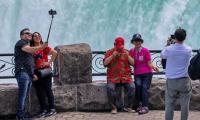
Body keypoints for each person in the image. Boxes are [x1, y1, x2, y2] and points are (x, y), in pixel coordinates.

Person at [14, 28, 47, 120]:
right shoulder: (21, 42)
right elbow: (29, 50)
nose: (29, 34)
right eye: (27, 33)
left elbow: (28, 62)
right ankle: (20, 116)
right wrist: (41, 47)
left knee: (25, 96)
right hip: (22, 72)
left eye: (30, 33)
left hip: (27, 73)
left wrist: (32, 74)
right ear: (21, 36)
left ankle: (23, 114)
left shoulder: (27, 44)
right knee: (23, 95)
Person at [161, 28, 192, 120]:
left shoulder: (169, 49)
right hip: (184, 80)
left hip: (171, 81)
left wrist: (168, 44)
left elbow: (162, 55)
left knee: (169, 104)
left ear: (175, 37)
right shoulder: (188, 49)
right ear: (185, 38)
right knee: (185, 105)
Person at [103, 37, 135, 114]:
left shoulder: (127, 52)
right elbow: (105, 63)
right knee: (110, 88)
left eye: (121, 47)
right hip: (113, 77)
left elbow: (133, 63)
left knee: (132, 87)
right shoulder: (109, 52)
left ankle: (128, 107)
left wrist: (128, 56)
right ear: (114, 45)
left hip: (126, 77)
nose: (119, 49)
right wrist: (112, 56)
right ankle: (114, 108)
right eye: (118, 47)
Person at [129, 33, 159, 114]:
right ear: (133, 42)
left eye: (139, 40)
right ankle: (140, 105)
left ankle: (145, 107)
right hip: (137, 74)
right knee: (138, 86)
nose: (137, 42)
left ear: (141, 42)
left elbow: (149, 63)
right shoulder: (131, 51)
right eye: (136, 40)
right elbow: (130, 63)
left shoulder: (145, 51)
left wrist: (154, 67)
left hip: (147, 73)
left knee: (144, 87)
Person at [30, 32, 57, 118]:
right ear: (32, 38)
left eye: (39, 36)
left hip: (46, 71)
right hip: (36, 72)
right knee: (40, 92)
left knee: (48, 90)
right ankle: (43, 110)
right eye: (35, 36)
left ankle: (52, 109)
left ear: (41, 37)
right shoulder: (31, 48)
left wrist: (49, 62)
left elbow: (55, 53)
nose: (37, 37)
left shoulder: (44, 47)